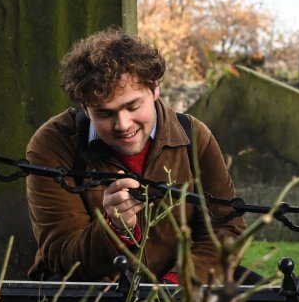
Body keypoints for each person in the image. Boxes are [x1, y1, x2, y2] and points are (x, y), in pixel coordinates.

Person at [26, 30, 248, 284]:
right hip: (90, 295)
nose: (122, 124)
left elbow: (226, 229)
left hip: (181, 284)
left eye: (133, 107)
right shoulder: (54, 144)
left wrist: (178, 284)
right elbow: (61, 256)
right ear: (85, 108)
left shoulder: (193, 137)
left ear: (155, 89)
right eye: (104, 114)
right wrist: (113, 229)